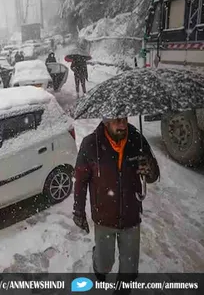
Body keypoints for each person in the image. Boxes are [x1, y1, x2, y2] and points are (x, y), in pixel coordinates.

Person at [73, 117, 160, 294]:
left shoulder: (137, 140)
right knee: (105, 264)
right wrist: (78, 210)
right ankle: (98, 262)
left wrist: (149, 167)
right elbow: (81, 180)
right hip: (104, 216)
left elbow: (153, 175)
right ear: (106, 122)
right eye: (117, 120)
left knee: (129, 270)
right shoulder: (91, 144)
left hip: (131, 216)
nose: (122, 125)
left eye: (125, 119)